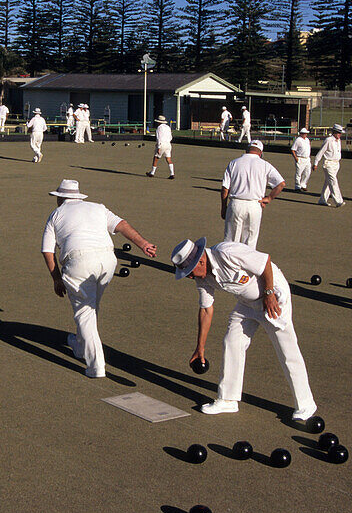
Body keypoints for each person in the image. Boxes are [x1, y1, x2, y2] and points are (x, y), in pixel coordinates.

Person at [171, 237, 317, 419]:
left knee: (286, 350)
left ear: (200, 260)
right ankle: (228, 400)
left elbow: (265, 262)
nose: (190, 277)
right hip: (246, 304)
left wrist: (269, 293)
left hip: (272, 298)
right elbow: (206, 310)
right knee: (232, 341)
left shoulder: (227, 252)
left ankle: (306, 405)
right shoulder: (202, 278)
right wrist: (200, 348)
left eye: (190, 272)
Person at [41, 180, 157, 379]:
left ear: (61, 198)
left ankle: (96, 366)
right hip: (108, 260)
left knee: (85, 312)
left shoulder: (56, 214)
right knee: (91, 306)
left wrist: (56, 279)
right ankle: (79, 345)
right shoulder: (98, 207)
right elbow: (122, 225)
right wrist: (143, 243)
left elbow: (47, 250)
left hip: (79, 262)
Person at [220, 141, 285, 248]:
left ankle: (229, 264)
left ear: (247, 150)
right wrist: (268, 198)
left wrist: (223, 207)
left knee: (230, 243)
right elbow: (281, 184)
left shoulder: (234, 163)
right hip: (255, 205)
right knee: (250, 243)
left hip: (236, 204)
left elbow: (225, 189)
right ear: (260, 153)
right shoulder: (265, 165)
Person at [312, 124, 346, 207]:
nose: (339, 135)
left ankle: (322, 200)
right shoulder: (328, 140)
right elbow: (321, 152)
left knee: (328, 182)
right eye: (338, 133)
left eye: (340, 133)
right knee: (333, 181)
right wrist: (315, 163)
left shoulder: (339, 141)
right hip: (328, 164)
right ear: (334, 132)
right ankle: (338, 201)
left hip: (336, 164)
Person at [290, 128, 311, 192]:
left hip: (307, 158)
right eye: (304, 133)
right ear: (301, 134)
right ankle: (297, 186)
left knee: (307, 172)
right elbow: (293, 149)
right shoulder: (298, 140)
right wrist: (296, 158)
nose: (305, 135)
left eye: (306, 133)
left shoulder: (307, 140)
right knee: (299, 173)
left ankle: (303, 184)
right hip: (300, 158)